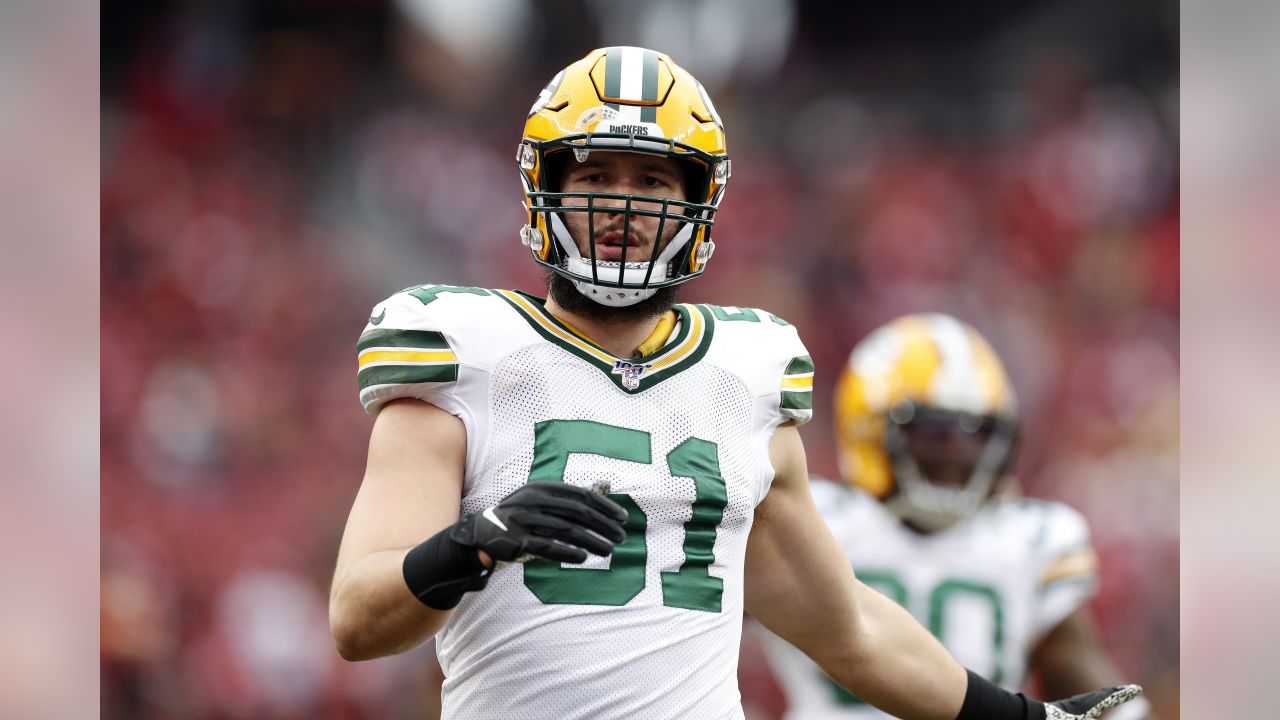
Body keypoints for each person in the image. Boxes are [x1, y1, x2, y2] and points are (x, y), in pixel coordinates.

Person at [328, 46, 1142, 720]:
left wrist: (1029, 718)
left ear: (698, 204)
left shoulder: (746, 372)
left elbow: (849, 628)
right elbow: (358, 619)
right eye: (599, 176)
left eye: (653, 183)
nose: (623, 204)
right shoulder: (467, 350)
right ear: (547, 187)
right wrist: (470, 543)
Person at [758, 314, 1154, 720]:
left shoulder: (1030, 539)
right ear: (867, 430)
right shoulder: (815, 519)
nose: (958, 454)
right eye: (936, 434)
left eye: (979, 436)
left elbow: (1093, 689)